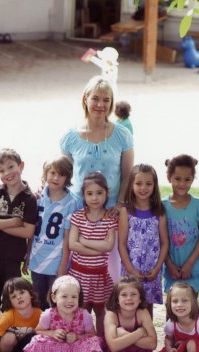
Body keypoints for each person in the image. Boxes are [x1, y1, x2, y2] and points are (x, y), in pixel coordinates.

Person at [60, 75, 134, 217]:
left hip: (112, 211)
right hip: (78, 210)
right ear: (85, 99)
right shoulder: (70, 138)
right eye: (95, 98)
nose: (100, 105)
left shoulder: (123, 135)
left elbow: (127, 176)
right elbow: (62, 175)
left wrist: (120, 204)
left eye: (106, 100)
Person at [0, 148, 37, 315]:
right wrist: (13, 222)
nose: (7, 173)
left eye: (11, 167)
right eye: (1, 170)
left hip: (12, 258)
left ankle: (9, 327)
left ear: (21, 166)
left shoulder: (29, 198)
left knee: (11, 298)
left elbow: (28, 232)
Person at [24, 275, 104, 352]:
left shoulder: (84, 314)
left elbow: (92, 334)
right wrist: (52, 333)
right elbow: (38, 330)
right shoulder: (48, 314)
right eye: (64, 296)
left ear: (79, 298)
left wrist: (78, 337)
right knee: (35, 342)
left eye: (74, 296)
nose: (69, 300)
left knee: (96, 342)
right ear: (54, 297)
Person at [25, 156, 78, 310]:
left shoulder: (71, 202)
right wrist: (28, 255)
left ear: (67, 177)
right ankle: (41, 325)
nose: (56, 178)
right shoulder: (37, 198)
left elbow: (67, 237)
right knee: (38, 300)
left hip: (56, 262)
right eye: (52, 173)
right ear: (45, 174)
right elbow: (32, 230)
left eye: (61, 174)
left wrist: (63, 265)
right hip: (37, 259)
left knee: (56, 301)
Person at [68, 172, 118, 335]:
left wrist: (84, 241)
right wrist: (98, 250)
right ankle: (83, 343)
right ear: (83, 195)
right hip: (79, 275)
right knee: (82, 312)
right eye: (89, 193)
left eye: (99, 193)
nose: (95, 198)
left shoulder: (109, 218)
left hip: (99, 277)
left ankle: (102, 342)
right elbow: (72, 245)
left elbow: (109, 245)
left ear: (106, 194)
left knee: (102, 312)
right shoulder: (78, 216)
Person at [118, 163, 168, 317]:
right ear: (131, 185)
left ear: (154, 185)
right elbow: (121, 244)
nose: (143, 188)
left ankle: (147, 332)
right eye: (138, 183)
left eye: (148, 184)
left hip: (151, 271)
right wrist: (132, 271)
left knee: (147, 308)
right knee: (128, 306)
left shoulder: (159, 211)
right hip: (130, 269)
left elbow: (165, 243)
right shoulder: (126, 211)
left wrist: (157, 268)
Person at [99, 276, 162, 352]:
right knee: (114, 344)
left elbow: (153, 344)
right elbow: (113, 346)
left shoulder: (142, 312)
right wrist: (140, 332)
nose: (129, 298)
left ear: (140, 299)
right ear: (117, 300)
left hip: (131, 351)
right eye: (124, 295)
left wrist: (124, 334)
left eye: (133, 294)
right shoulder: (111, 315)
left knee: (136, 346)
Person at [163, 154, 199, 294]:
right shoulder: (161, 206)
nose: (182, 184)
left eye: (187, 179)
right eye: (177, 179)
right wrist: (169, 264)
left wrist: (189, 264)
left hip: (192, 269)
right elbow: (160, 239)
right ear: (169, 178)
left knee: (191, 304)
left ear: (192, 179)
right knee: (173, 304)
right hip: (171, 270)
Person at [0, 277, 42, 352]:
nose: (18, 297)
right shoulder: (7, 316)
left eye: (22, 292)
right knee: (9, 337)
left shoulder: (39, 314)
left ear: (31, 294)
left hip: (25, 345)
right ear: (10, 302)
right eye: (13, 296)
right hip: (7, 346)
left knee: (37, 336)